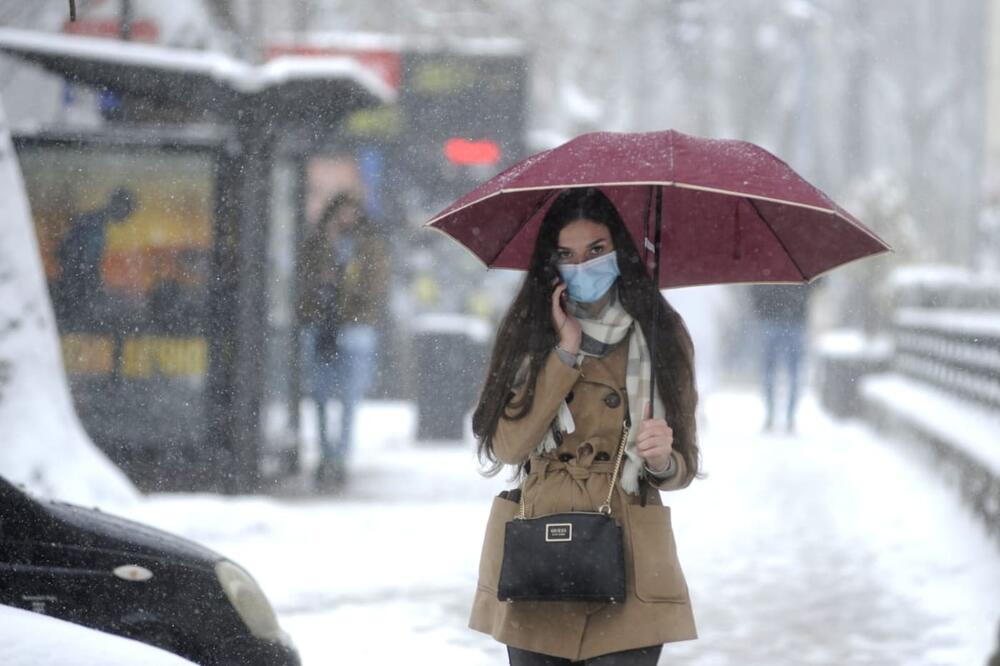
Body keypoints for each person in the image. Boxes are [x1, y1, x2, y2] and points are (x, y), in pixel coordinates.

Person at [468, 188, 700, 664]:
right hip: (540, 549)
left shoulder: (660, 333)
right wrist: (564, 353)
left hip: (628, 553)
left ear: (622, 252)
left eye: (596, 250)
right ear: (552, 266)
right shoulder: (530, 333)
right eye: (567, 255)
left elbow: (684, 465)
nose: (584, 266)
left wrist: (662, 459)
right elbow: (508, 447)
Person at [297, 193, 390, 489]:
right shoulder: (319, 242)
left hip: (355, 328)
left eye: (351, 212)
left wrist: (352, 299)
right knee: (320, 395)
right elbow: (304, 280)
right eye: (341, 212)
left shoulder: (369, 246)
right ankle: (326, 453)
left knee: (349, 396)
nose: (345, 218)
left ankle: (340, 457)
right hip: (322, 326)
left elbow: (376, 286)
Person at [55, 187, 136, 326]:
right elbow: (83, 260)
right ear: (117, 205)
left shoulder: (94, 222)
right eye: (126, 210)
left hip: (77, 285)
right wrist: (90, 285)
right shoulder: (93, 224)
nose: (126, 216)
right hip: (77, 286)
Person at [748, 282, 815, 433]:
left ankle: (781, 416)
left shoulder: (765, 262)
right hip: (784, 317)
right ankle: (780, 416)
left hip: (781, 317)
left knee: (775, 373)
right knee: (787, 373)